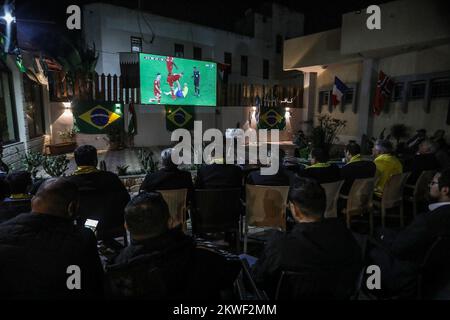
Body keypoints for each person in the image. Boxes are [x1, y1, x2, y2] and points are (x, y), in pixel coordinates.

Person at [105, 192, 241, 299]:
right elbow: (232, 269)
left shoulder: (116, 268)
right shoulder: (199, 253)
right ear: (170, 221)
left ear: (126, 226)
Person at [252, 178, 362, 298]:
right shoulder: (347, 238)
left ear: (295, 209)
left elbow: (258, 279)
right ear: (323, 206)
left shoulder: (280, 245)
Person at [0, 178, 104, 298]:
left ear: (33, 201)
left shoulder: (3, 230)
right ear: (72, 208)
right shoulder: (81, 239)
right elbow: (90, 286)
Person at [369, 169, 450, 298]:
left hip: (409, 272)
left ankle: (372, 290)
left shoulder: (426, 221)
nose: (429, 185)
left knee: (371, 251)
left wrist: (380, 235)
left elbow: (398, 248)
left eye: (433, 183)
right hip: (438, 271)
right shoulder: (435, 217)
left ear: (445, 190)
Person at [66, 145, 130, 239]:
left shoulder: (69, 183)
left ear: (76, 162)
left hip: (82, 229)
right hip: (111, 226)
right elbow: (126, 200)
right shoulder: (111, 178)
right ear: (95, 161)